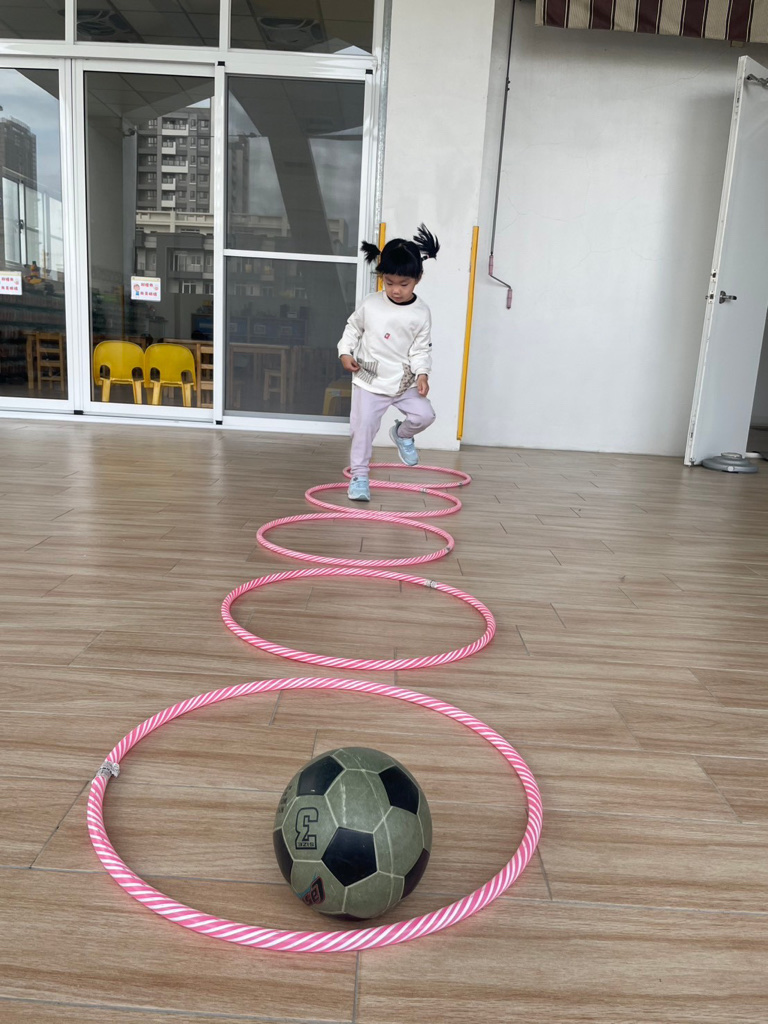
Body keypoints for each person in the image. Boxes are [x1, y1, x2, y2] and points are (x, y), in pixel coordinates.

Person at [337, 224, 440, 501]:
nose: (395, 290)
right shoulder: (370, 304)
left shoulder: (421, 312)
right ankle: (359, 476)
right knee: (363, 429)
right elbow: (352, 329)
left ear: (418, 278)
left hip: (403, 381)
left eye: (403, 284)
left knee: (425, 415)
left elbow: (421, 348)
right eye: (389, 282)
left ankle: (402, 435)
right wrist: (345, 352)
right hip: (370, 380)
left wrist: (422, 374)